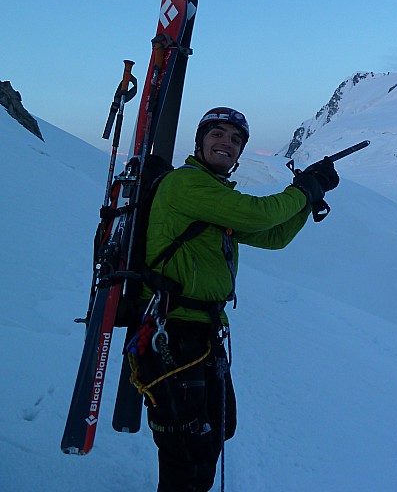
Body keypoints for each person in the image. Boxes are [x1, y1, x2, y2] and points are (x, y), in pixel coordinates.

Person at [136, 107, 339, 491]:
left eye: (235, 139)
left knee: (215, 432)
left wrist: (313, 195)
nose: (226, 143)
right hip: (172, 333)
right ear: (199, 142)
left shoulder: (213, 197)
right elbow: (258, 214)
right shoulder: (187, 186)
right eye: (217, 134)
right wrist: (304, 190)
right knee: (187, 447)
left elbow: (272, 236)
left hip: (201, 335)